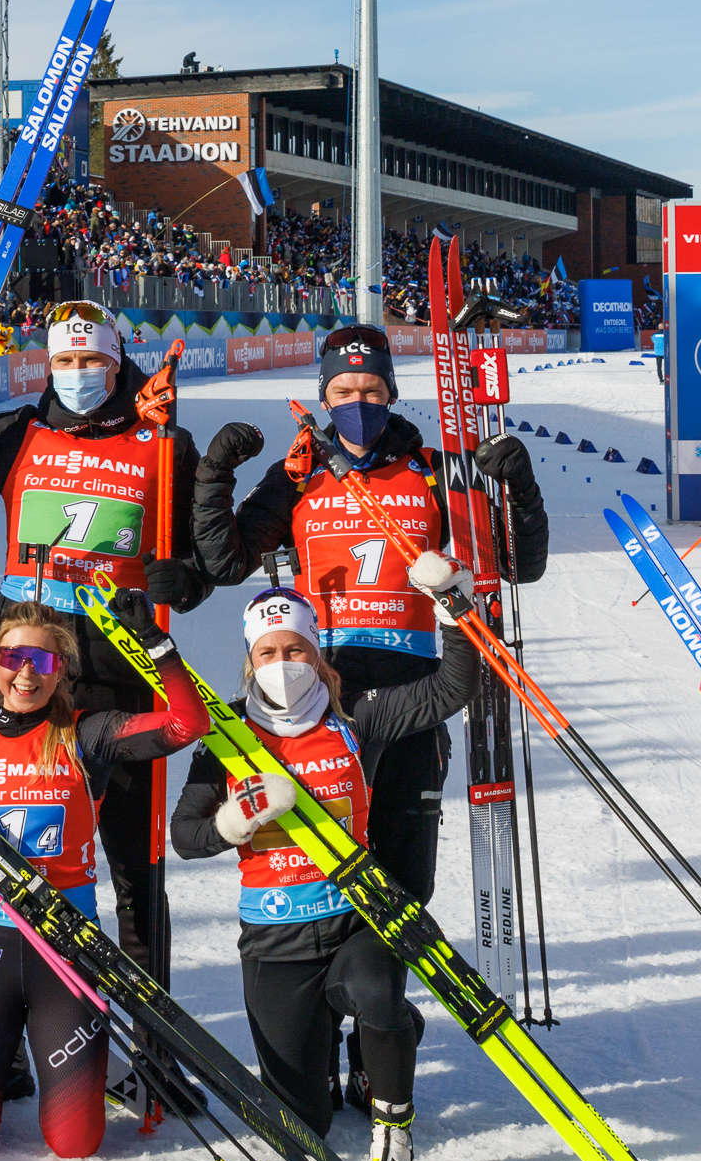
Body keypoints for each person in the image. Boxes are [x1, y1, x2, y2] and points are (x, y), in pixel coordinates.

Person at [0, 298, 215, 978]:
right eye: (66, 361)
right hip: (31, 682)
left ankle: (153, 1059)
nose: (80, 373)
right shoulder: (19, 435)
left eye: (93, 361)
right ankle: (16, 1022)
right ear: (48, 366)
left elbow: (197, 566)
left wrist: (181, 583)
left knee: (135, 878)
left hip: (122, 680)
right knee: (20, 861)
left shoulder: (160, 440)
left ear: (117, 365)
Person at [204, 322, 546, 925]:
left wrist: (519, 488)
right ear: (323, 397)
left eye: (371, 391)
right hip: (321, 699)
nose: (357, 404)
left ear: (389, 392)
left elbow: (520, 565)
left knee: (405, 873)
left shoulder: (433, 470)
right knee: (317, 859)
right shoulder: (301, 473)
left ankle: (382, 1009)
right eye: (343, 392)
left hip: (413, 692)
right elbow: (226, 559)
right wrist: (216, 475)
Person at [168, 584, 477, 1161]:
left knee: (374, 990)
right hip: (274, 936)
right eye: (268, 652)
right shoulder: (229, 733)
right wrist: (239, 817)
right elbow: (186, 835)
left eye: (298, 650)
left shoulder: (359, 715)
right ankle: (361, 1048)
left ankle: (393, 1127)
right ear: (250, 659)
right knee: (301, 1127)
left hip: (354, 919)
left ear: (319, 655)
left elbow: (452, 689)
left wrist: (451, 607)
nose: (283, 663)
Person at [0, 601, 206, 1160]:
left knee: (75, 1143)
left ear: (61, 667)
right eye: (11, 655)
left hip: (65, 950)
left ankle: (90, 1065)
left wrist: (158, 650)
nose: (26, 672)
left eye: (41, 658)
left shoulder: (87, 733)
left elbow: (187, 724)